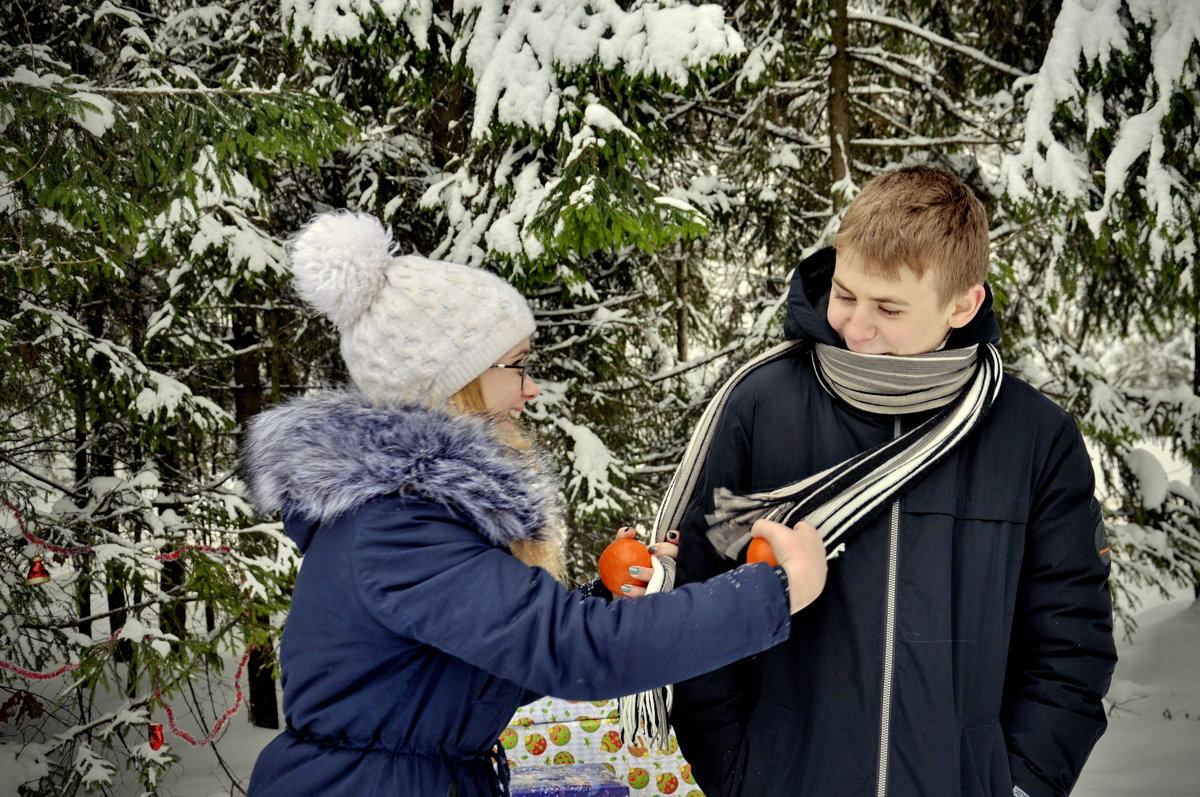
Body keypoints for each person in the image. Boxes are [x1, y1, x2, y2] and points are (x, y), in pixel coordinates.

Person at [238, 210, 828, 797]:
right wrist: (769, 595)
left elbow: (495, 664)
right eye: (516, 366)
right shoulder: (397, 526)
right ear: (451, 381)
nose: (530, 389)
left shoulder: (400, 513)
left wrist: (606, 596)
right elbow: (573, 649)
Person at [667, 166, 1116, 797]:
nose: (855, 327)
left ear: (963, 304)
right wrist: (740, 773)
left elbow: (1071, 643)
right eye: (845, 294)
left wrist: (1019, 785)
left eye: (889, 307)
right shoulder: (762, 409)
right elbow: (702, 598)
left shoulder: (1033, 438)